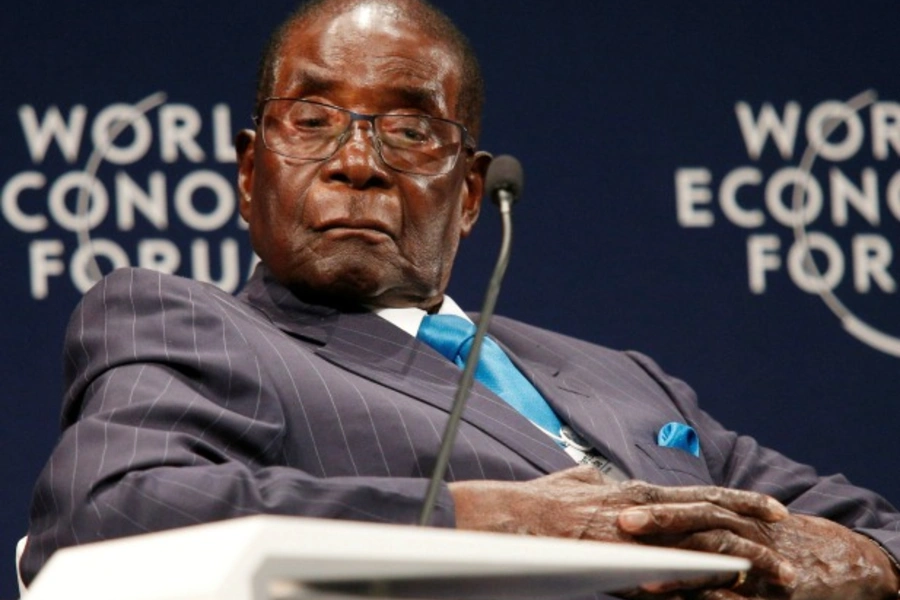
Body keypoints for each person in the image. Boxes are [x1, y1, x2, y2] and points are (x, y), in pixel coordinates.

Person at [20, 0, 900, 598]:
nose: (357, 162)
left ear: (470, 195)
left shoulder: (620, 378)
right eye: (314, 121)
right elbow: (113, 514)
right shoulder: (187, 325)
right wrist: (506, 519)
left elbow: (873, 527)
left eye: (409, 129)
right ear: (252, 174)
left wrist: (834, 562)